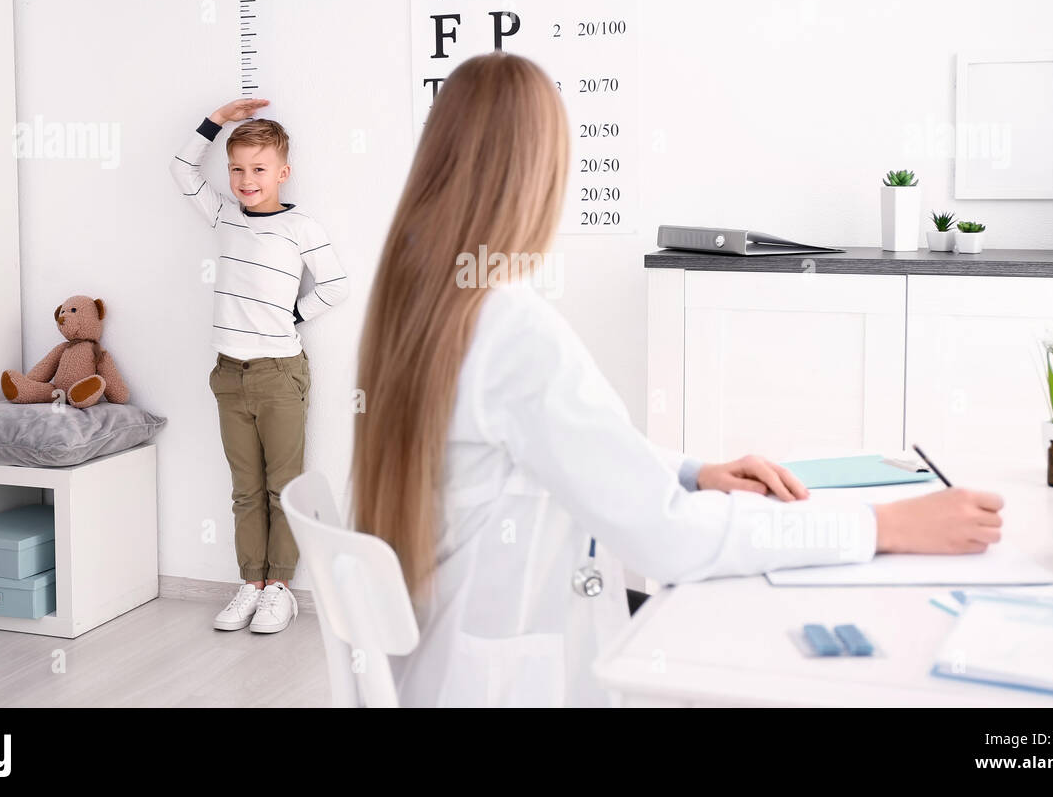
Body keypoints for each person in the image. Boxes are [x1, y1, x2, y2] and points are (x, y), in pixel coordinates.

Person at [350, 52, 1003, 706]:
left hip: (441, 670)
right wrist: (880, 526)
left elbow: (554, 449)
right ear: (537, 173)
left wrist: (693, 471)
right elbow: (669, 540)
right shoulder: (513, 330)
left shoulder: (418, 305)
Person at [171, 98, 348, 634]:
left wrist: (292, 314)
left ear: (283, 172)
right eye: (238, 169)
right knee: (244, 489)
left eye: (259, 169)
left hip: (278, 372)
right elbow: (181, 169)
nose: (247, 179)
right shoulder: (224, 214)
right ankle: (251, 582)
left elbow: (336, 286)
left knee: (281, 486)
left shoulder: (302, 228)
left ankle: (281, 591)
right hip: (230, 373)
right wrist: (217, 120)